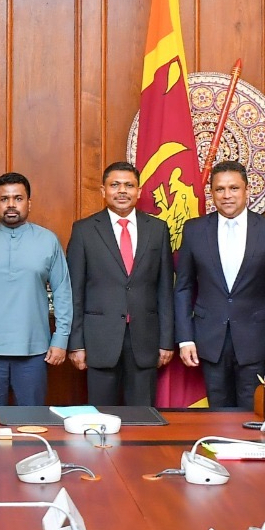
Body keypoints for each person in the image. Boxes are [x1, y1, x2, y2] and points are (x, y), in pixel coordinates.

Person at [174, 160, 265, 409]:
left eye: (234, 188)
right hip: (209, 340)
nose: (227, 195)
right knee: (216, 416)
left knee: (253, 414)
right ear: (212, 193)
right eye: (220, 189)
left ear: (247, 190)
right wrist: (185, 339)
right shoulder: (194, 230)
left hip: (257, 341)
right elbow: (183, 287)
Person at [0, 172, 72, 407]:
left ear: (29, 203)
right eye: (4, 199)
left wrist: (61, 338)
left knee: (31, 419)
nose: (11, 204)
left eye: (18, 198)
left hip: (34, 350)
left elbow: (62, 291)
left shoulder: (48, 240)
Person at [66, 162, 174, 406]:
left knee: (143, 417)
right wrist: (76, 344)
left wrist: (166, 340)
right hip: (99, 341)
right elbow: (75, 292)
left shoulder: (157, 230)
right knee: (101, 417)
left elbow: (165, 289)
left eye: (129, 185)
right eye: (115, 185)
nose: (122, 191)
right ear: (103, 191)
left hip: (145, 340)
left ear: (139, 191)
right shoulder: (84, 230)